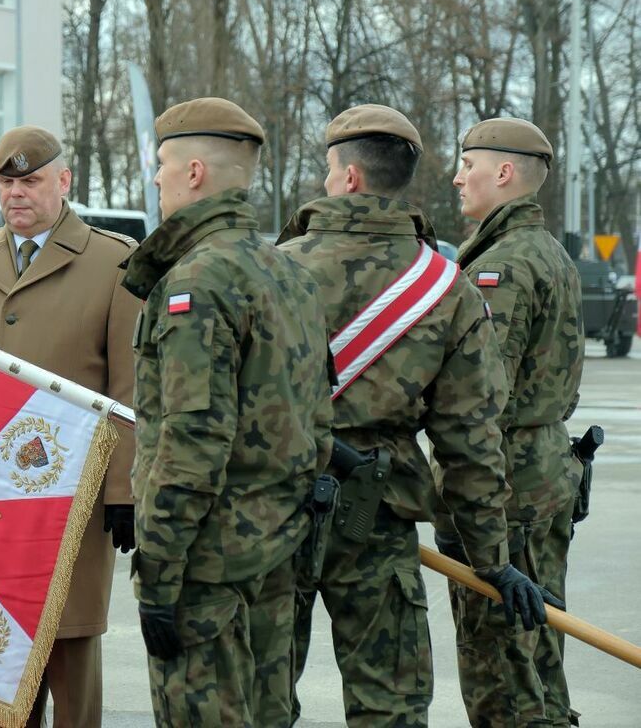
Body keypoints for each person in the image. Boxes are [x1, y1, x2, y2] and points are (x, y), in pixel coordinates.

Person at [277, 105, 560, 727]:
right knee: (391, 706)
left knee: (259, 701)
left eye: (329, 170)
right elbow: (470, 439)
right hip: (376, 519)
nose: (327, 182)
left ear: (349, 178)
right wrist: (490, 557)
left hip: (274, 515)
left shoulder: (274, 269)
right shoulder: (445, 284)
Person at [121, 98, 332, 726]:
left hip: (205, 566)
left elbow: (191, 441)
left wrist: (157, 572)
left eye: (162, 164)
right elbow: (317, 421)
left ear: (193, 172)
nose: (155, 177)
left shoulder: (199, 280)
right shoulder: (285, 271)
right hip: (274, 550)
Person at [0, 125, 140, 728]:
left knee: (71, 643)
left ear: (63, 181)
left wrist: (124, 490)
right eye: (6, 182)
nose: (16, 194)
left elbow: (128, 386)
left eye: (30, 181)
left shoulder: (114, 261)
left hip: (72, 494)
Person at [441, 118, 585, 726]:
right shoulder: (549, 253)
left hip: (506, 491)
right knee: (541, 651)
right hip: (546, 475)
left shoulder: (502, 268)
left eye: (466, 165)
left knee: (502, 666)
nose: (456, 177)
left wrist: (468, 511)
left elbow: (480, 403)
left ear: (503, 173)